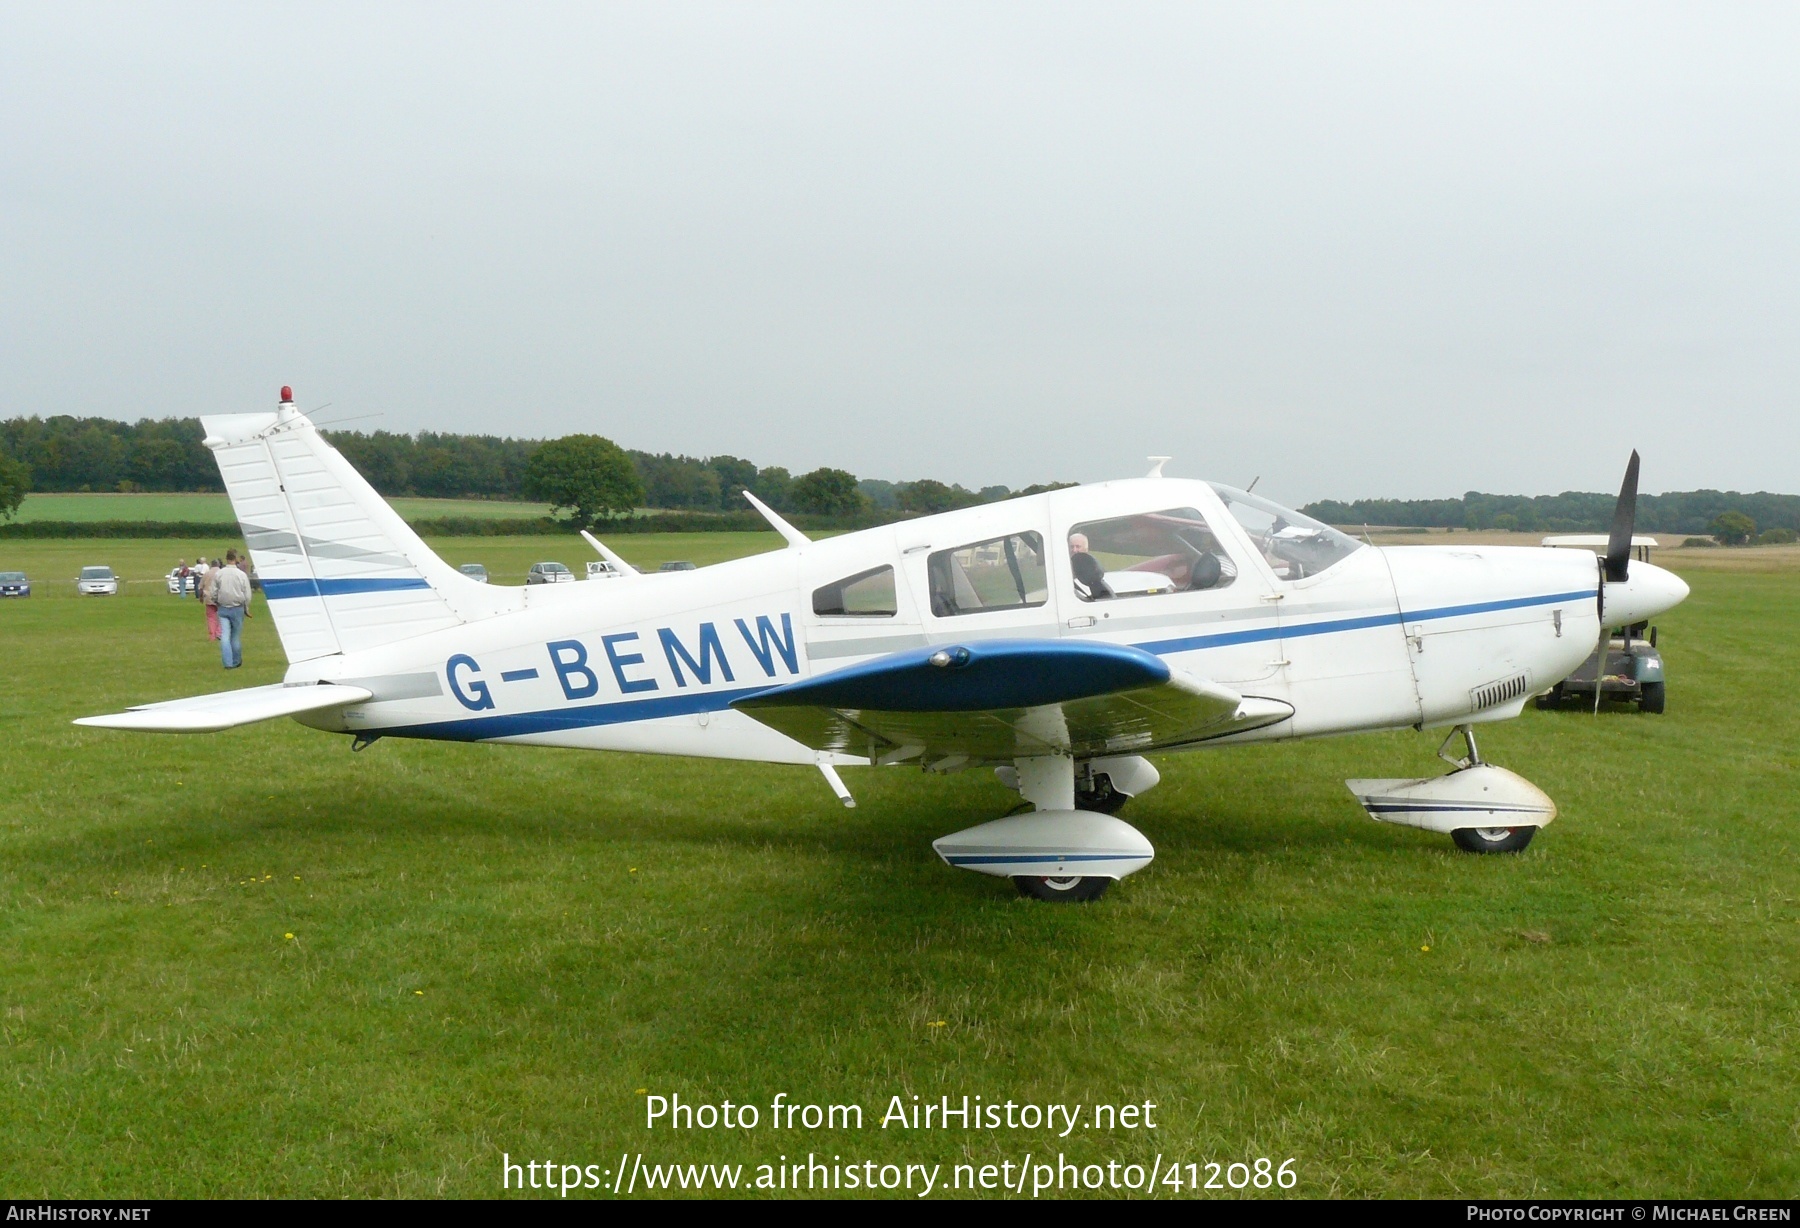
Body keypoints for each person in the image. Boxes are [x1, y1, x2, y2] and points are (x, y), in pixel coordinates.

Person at [214, 549, 253, 669]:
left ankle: (227, 663)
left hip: (223, 607)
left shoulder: (219, 574)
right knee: (235, 636)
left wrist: (217, 601)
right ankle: (236, 660)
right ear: (235, 559)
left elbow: (213, 592)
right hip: (237, 607)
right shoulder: (241, 575)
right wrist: (246, 607)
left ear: (226, 559)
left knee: (225, 636)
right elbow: (247, 594)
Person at [1068, 532, 1111, 600]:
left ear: (1086, 549)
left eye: (1078, 546)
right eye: (1071, 547)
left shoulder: (1093, 570)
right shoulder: (1063, 569)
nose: (1074, 550)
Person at [202, 558, 222, 641]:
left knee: (211, 617)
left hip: (209, 597)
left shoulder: (207, 573)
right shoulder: (222, 573)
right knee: (222, 616)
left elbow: (201, 586)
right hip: (220, 597)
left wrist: (201, 597)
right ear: (218, 565)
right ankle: (219, 632)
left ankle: (212, 635)